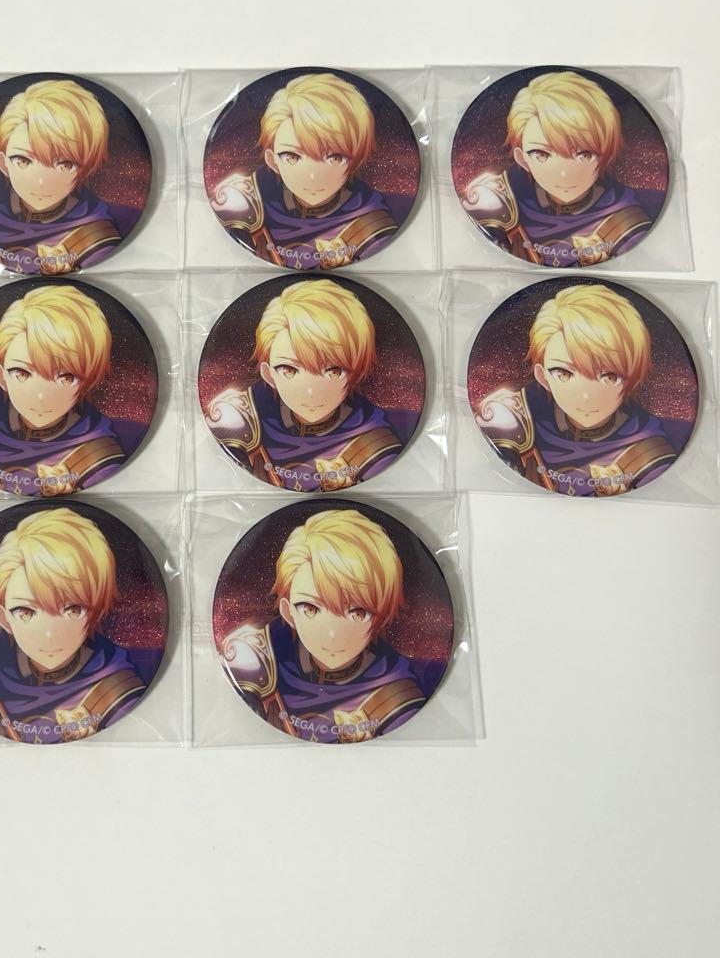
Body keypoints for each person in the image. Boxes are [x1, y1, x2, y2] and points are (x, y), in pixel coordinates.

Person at [221, 508, 443, 742]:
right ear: (288, 612)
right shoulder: (255, 654)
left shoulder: (396, 698)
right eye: (310, 609)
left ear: (381, 616)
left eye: (357, 613)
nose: (332, 635)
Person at [0, 508, 147, 743]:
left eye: (72, 610)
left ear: (96, 613)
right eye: (26, 612)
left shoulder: (116, 690)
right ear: (4, 619)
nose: (49, 635)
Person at [475, 283, 692, 495]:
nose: (586, 397)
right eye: (564, 373)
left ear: (632, 379)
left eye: (609, 376)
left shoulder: (649, 455)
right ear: (543, 377)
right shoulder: (512, 418)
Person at [205, 279, 418, 490]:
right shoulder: (239, 421)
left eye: (334, 371)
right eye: (289, 370)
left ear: (355, 374)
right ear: (269, 375)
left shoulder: (374, 448)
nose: (310, 392)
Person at [0, 284, 146, 496]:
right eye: (22, 374)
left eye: (66, 378)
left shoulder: (98, 456)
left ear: (87, 382)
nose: (41, 396)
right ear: (1, 377)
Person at [210, 72, 410, 269]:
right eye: (292, 157)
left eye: (335, 158)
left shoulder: (372, 227)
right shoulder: (243, 204)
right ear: (272, 161)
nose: (312, 177)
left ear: (355, 161)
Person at [461, 70, 660, 266]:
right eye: (542, 154)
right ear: (522, 159)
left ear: (606, 156)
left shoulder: (627, 224)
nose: (564, 175)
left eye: (584, 154)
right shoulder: (496, 202)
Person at [0, 79, 139, 274]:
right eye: (23, 160)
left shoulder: (94, 237)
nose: (41, 182)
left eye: (65, 164)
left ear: (84, 170)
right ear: (3, 164)